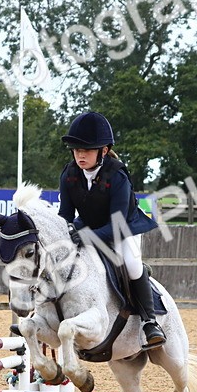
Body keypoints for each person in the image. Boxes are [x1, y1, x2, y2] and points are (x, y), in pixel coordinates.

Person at [58, 111, 165, 350]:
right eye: (76, 150)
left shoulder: (117, 176)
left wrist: (85, 236)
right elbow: (65, 214)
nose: (80, 155)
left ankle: (150, 322)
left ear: (103, 151)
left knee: (132, 264)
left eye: (86, 150)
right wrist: (65, 234)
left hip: (124, 227)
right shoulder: (69, 174)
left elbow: (116, 226)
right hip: (89, 223)